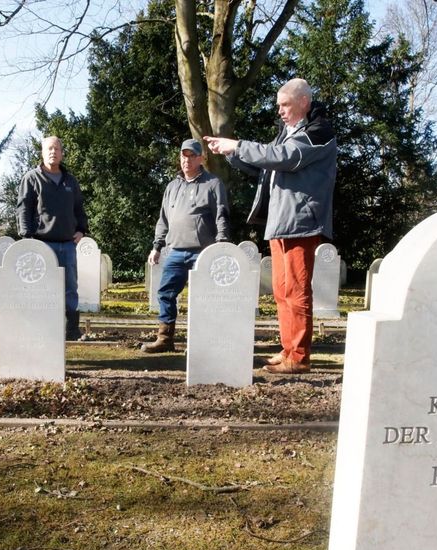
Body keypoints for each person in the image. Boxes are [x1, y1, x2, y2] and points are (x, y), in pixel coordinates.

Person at [204, 78, 337, 374]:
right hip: (281, 221)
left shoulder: (317, 132)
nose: (279, 110)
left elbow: (284, 158)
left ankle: (299, 356)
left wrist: (238, 144)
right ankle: (289, 348)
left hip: (301, 221)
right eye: (278, 105)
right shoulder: (289, 132)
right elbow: (267, 165)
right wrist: (232, 153)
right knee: (281, 290)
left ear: (304, 102)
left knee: (297, 290)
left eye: (285, 104)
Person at [142, 139, 230, 353]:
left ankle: (206, 342)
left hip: (203, 252)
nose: (186, 160)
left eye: (192, 156)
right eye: (183, 156)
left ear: (201, 158)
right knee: (165, 293)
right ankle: (165, 339)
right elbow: (163, 219)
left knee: (206, 298)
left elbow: (222, 215)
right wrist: (157, 246)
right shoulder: (172, 186)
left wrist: (222, 245)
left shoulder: (212, 184)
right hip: (176, 251)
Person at [16, 136, 89, 340]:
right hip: (41, 244)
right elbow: (24, 209)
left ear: (62, 153)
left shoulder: (70, 180)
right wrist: (28, 238)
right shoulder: (31, 178)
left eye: (57, 148)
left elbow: (79, 208)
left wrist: (82, 230)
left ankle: (72, 330)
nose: (53, 152)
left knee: (70, 288)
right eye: (49, 148)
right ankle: (42, 329)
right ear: (42, 152)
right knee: (41, 290)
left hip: (67, 244)